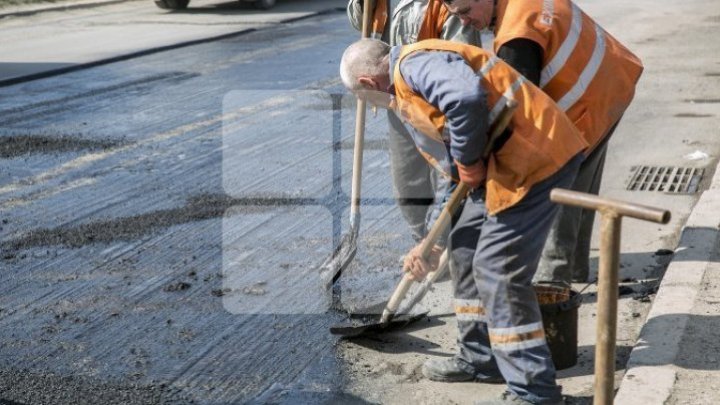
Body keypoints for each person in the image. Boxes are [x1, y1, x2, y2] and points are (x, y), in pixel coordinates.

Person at [340, 38, 588, 405]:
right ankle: (480, 357)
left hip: (535, 158)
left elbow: (466, 99)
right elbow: (455, 173)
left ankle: (534, 390)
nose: (372, 106)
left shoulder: (412, 66)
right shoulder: (409, 90)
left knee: (498, 270)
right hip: (504, 164)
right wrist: (433, 242)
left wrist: (470, 160)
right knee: (465, 243)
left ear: (366, 84)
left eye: (363, 99)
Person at [442, 0, 643, 285]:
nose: (463, 22)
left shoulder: (517, 36)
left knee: (555, 192)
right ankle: (573, 273)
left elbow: (521, 115)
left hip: (586, 104)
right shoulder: (521, 6)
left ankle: (553, 285)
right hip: (611, 82)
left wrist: (487, 163)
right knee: (581, 191)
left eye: (465, 12)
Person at [347, 0, 480, 254]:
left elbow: (461, 50)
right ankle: (425, 245)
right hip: (395, 96)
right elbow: (359, 22)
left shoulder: (441, 4)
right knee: (407, 181)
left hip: (437, 101)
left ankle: (447, 246)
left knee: (446, 175)